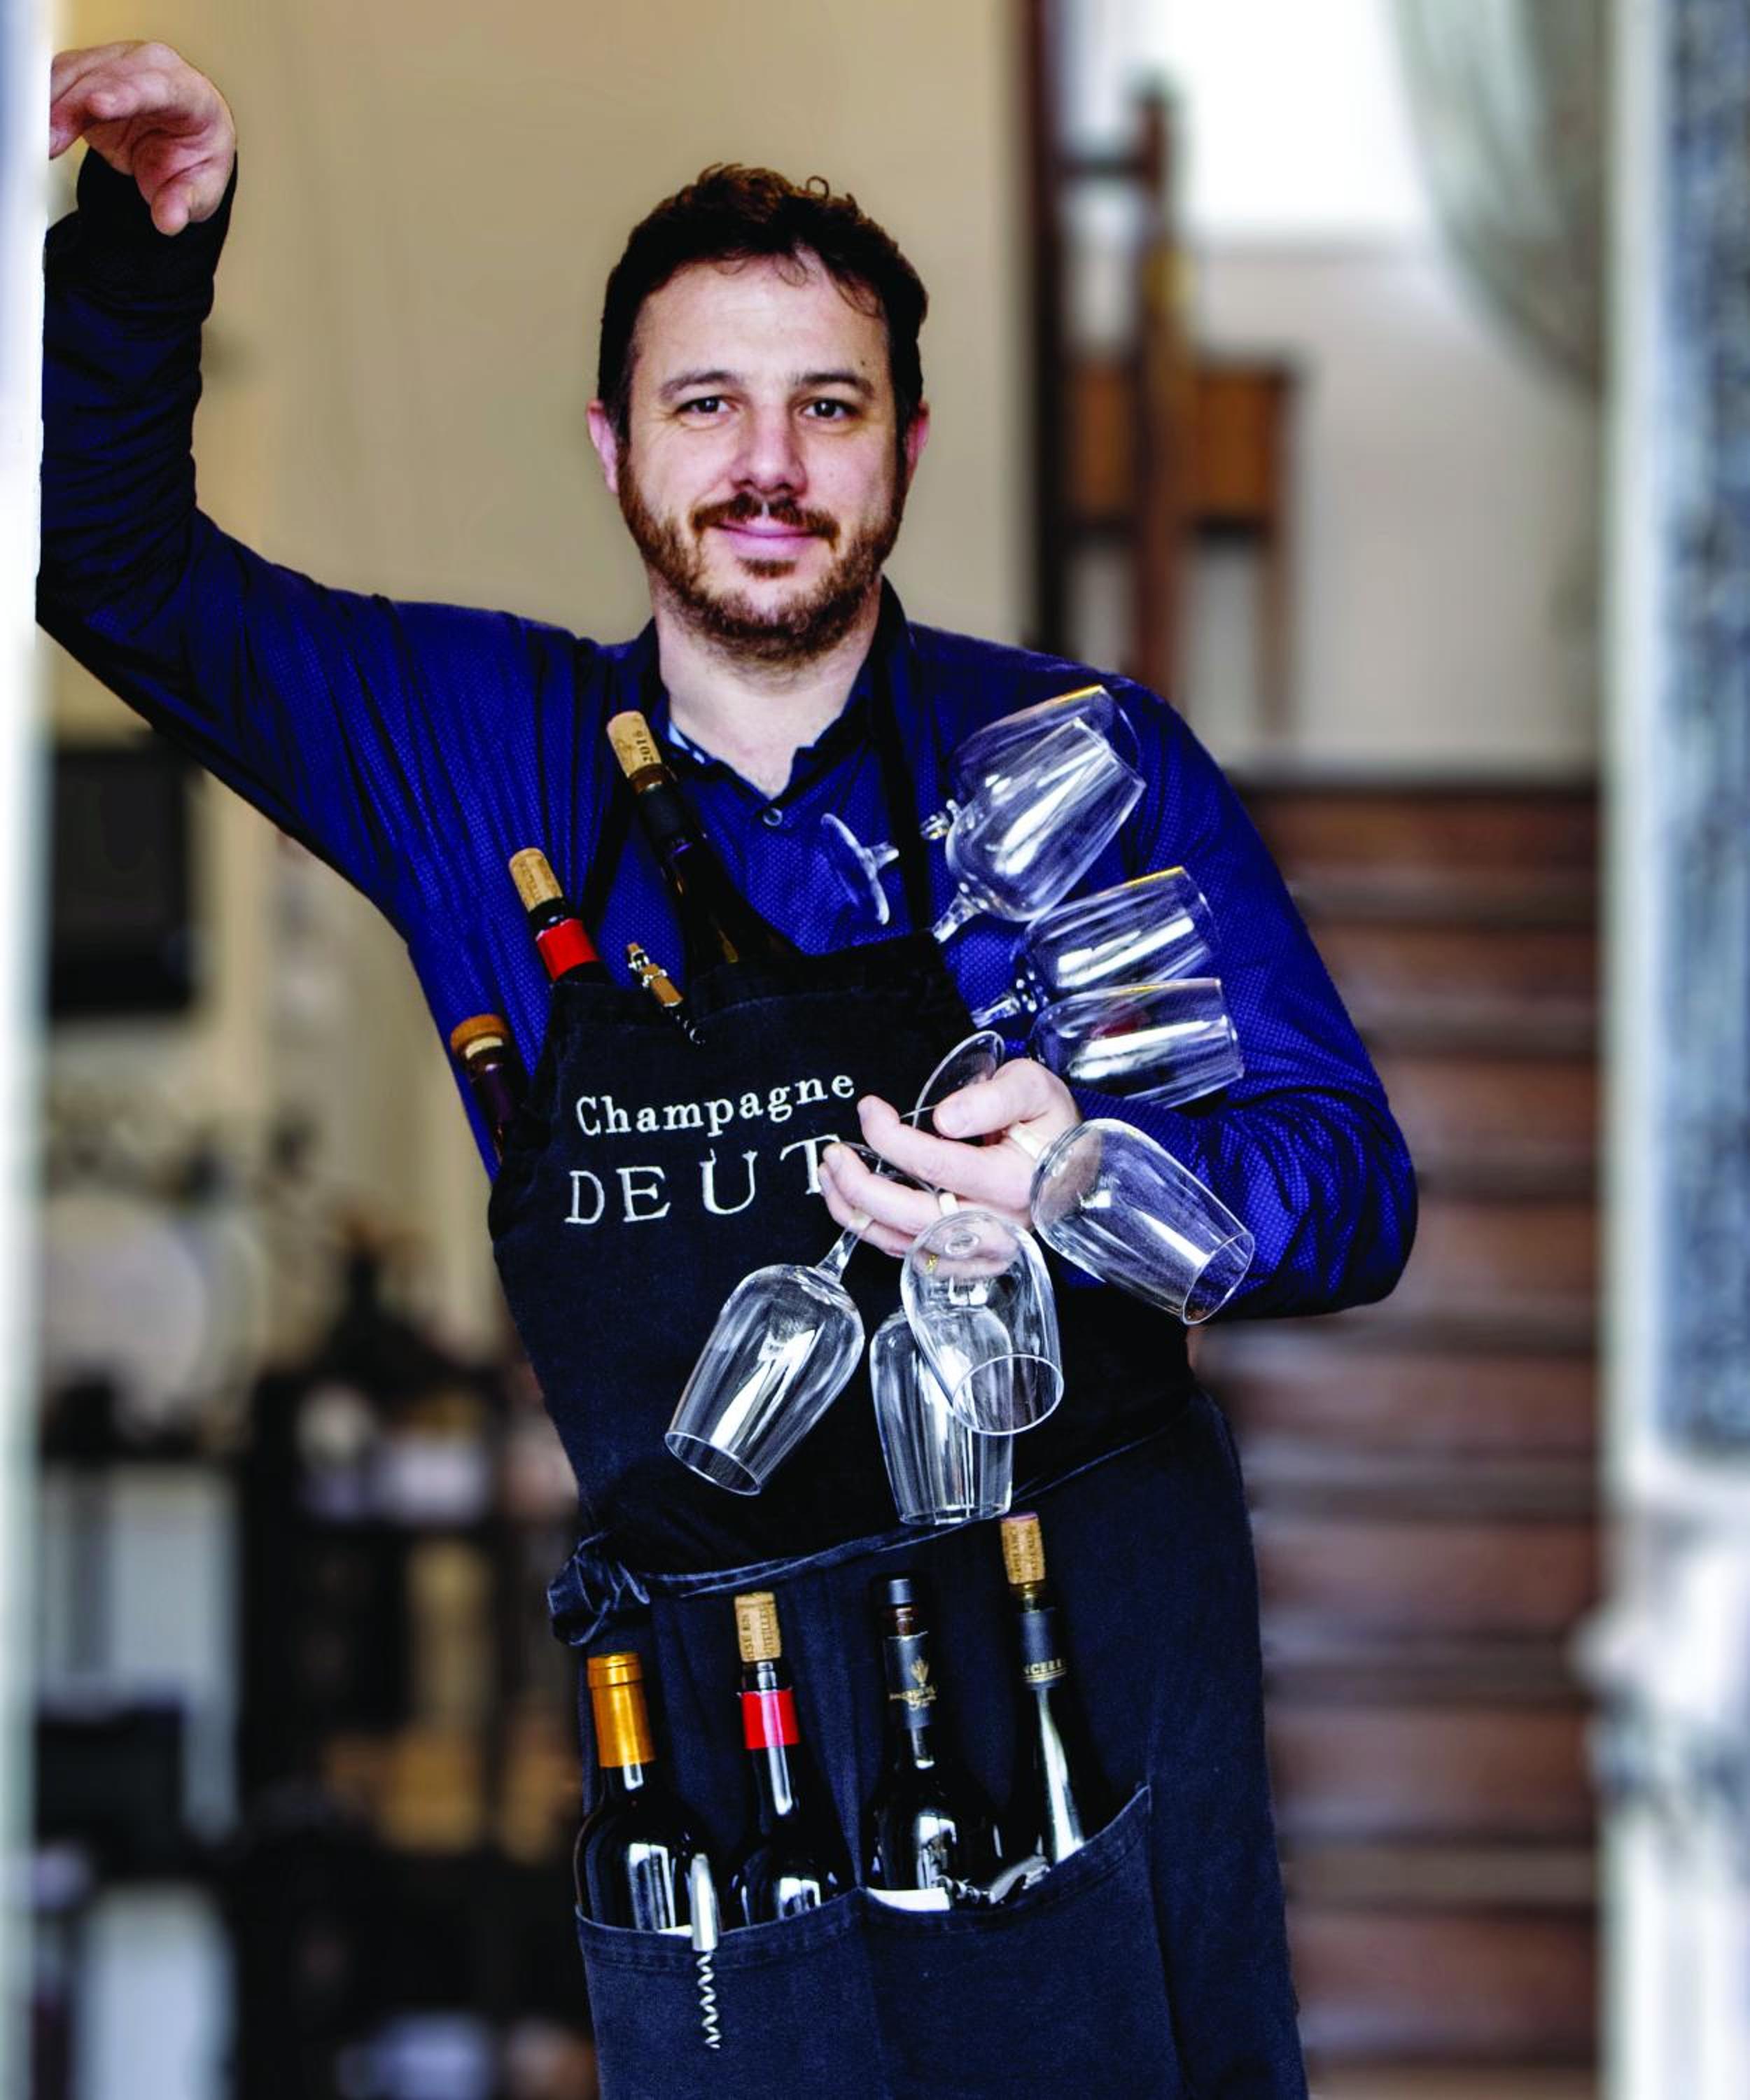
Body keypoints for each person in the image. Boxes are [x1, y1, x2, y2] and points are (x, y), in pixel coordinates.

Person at [40, 38, 1415, 2100]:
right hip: (730, 1706)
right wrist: (147, 258)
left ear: (907, 445)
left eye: (825, 407)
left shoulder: (1081, 767)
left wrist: (1095, 1176)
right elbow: (110, 571)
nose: (766, 462)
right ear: (613, 445)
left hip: (1088, 1664)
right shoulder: (474, 751)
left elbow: (1351, 1186)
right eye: (706, 404)